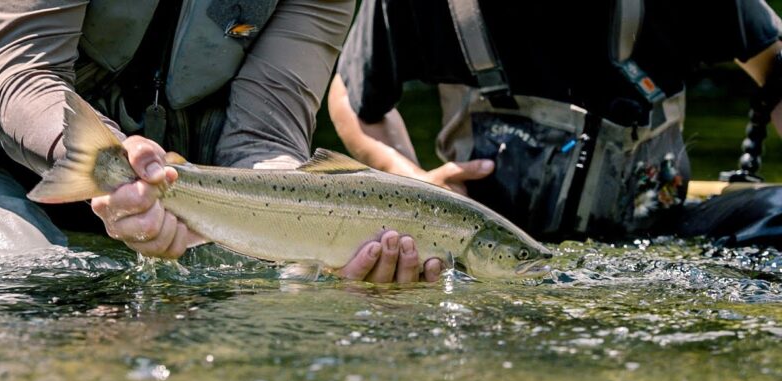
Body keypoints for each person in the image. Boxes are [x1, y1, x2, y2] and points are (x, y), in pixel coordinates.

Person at [0, 0, 442, 282]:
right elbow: (24, 76)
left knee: (275, 294)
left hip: (187, 193)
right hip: (1, 168)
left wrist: (324, 232)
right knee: (24, 279)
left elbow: (265, 135)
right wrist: (114, 165)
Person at [328, 0, 782, 246]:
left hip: (659, 234)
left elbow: (774, 63)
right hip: (488, 246)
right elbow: (353, 95)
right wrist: (418, 187)